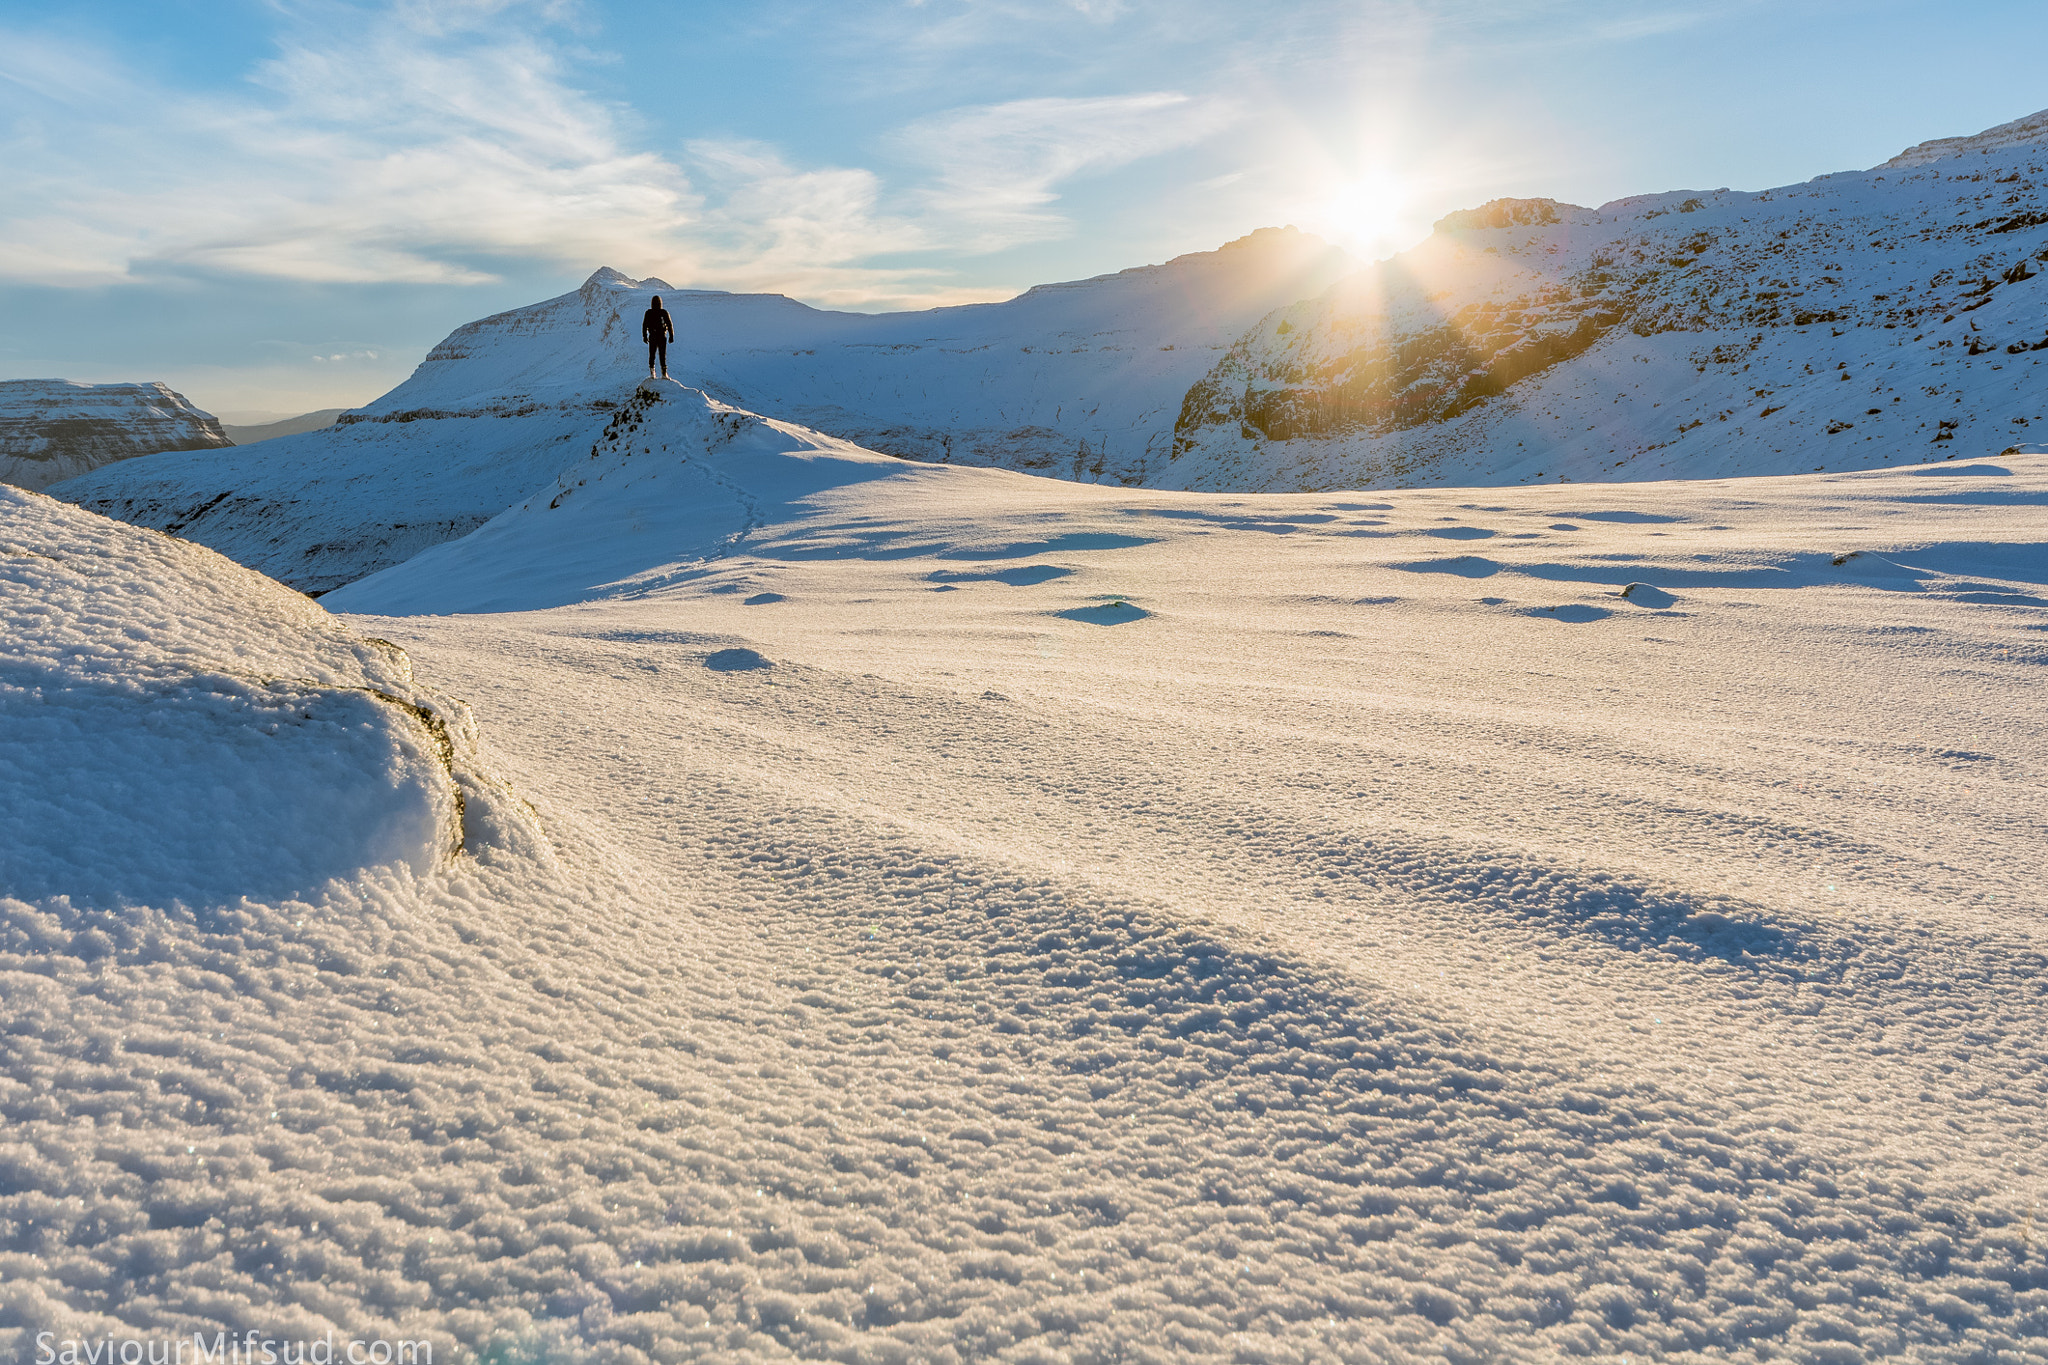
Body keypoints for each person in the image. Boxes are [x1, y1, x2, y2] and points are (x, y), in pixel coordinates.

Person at [642, 295, 674, 379]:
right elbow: (669, 324)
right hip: (660, 336)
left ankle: (654, 373)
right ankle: (663, 373)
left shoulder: (649, 312)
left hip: (655, 336)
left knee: (653, 355)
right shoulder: (663, 312)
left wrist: (645, 336)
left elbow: (644, 325)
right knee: (661, 355)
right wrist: (671, 335)